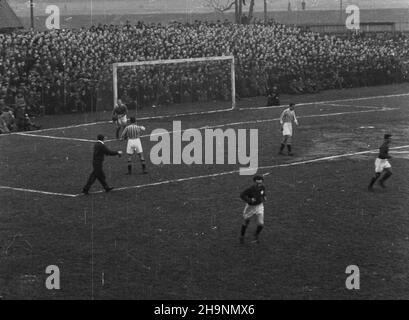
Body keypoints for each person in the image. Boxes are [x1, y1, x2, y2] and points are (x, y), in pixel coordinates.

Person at [240, 175, 267, 244]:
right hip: (250, 208)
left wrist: (264, 197)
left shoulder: (262, 187)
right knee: (246, 222)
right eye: (257, 183)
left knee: (261, 224)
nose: (259, 184)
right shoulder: (250, 189)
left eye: (260, 183)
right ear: (254, 182)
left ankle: (256, 234)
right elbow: (242, 195)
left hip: (259, 207)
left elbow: (263, 194)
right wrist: (249, 200)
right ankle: (242, 236)